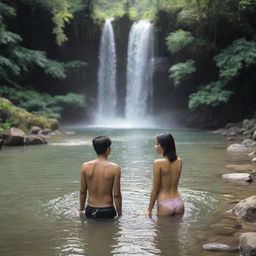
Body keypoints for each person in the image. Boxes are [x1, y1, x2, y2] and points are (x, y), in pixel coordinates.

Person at [79, 135, 122, 219]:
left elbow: (82, 192)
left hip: (90, 209)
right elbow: (116, 195)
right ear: (108, 149)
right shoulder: (115, 168)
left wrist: (81, 210)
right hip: (107, 210)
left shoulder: (85, 166)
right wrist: (120, 214)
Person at [143, 133, 184, 216]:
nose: (155, 146)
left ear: (164, 146)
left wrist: (149, 210)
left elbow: (155, 189)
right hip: (179, 202)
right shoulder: (179, 161)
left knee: (160, 229)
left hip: (165, 203)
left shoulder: (158, 163)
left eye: (157, 144)